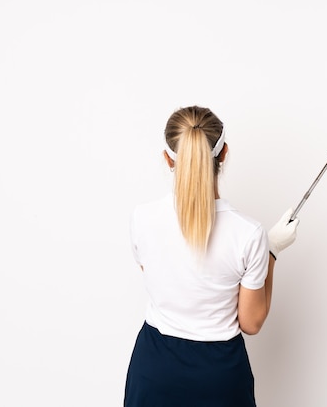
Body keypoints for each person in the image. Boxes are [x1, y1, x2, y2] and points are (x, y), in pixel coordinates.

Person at [124, 106, 300, 407]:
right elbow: (251, 322)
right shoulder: (249, 234)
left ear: (168, 159)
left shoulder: (142, 218)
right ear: (224, 153)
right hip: (218, 376)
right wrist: (270, 251)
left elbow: (159, 279)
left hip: (154, 368)